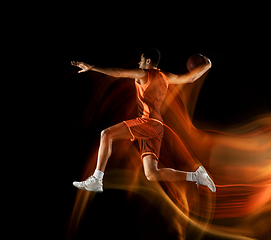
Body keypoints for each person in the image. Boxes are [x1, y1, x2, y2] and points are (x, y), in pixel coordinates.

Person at [71, 48, 216, 193]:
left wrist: (92, 67)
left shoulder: (144, 74)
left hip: (148, 122)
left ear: (148, 61)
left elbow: (119, 72)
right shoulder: (165, 76)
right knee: (152, 173)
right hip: (158, 127)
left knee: (106, 134)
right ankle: (196, 176)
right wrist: (207, 65)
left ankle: (97, 179)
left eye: (141, 61)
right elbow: (190, 78)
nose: (139, 64)